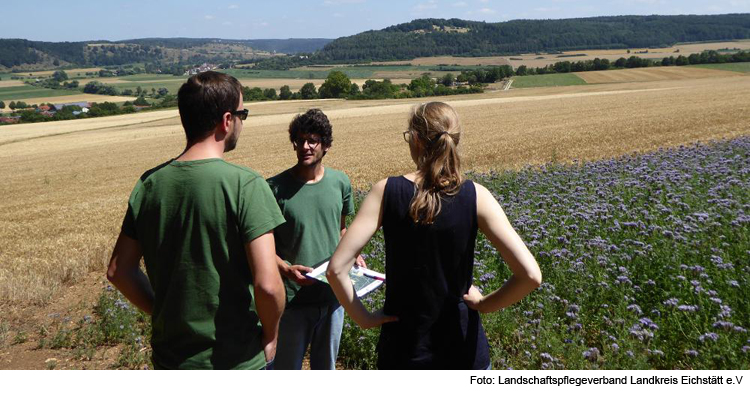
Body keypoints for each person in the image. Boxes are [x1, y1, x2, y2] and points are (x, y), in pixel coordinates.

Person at [327, 101, 542, 369]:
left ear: (415, 139)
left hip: (403, 354)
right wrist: (485, 304)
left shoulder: (386, 192)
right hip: (465, 351)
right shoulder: (477, 196)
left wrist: (364, 318)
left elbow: (336, 269)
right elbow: (531, 275)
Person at [106, 71, 286, 370]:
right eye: (243, 114)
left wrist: (163, 312)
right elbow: (268, 286)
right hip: (236, 360)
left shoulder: (149, 185)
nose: (242, 122)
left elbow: (118, 272)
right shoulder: (246, 185)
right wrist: (271, 333)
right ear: (227, 120)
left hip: (171, 360)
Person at [267, 108, 364, 369]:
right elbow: (262, 249)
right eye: (299, 140)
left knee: (326, 369)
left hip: (333, 297)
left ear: (326, 145)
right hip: (292, 303)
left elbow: (341, 230)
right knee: (287, 371)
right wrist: (286, 269)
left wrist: (353, 253)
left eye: (313, 140)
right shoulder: (274, 189)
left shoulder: (340, 183)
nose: (305, 147)